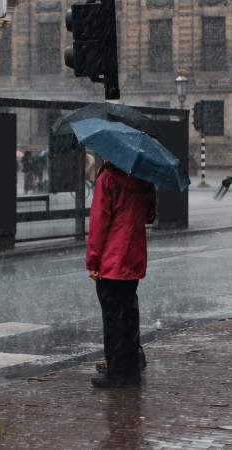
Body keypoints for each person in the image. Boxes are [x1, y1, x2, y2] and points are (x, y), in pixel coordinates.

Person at [86, 161, 156, 388]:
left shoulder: (108, 178)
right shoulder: (143, 178)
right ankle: (131, 370)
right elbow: (149, 216)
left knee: (112, 317)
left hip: (111, 259)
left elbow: (99, 223)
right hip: (133, 257)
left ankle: (116, 373)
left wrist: (93, 260)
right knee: (128, 314)